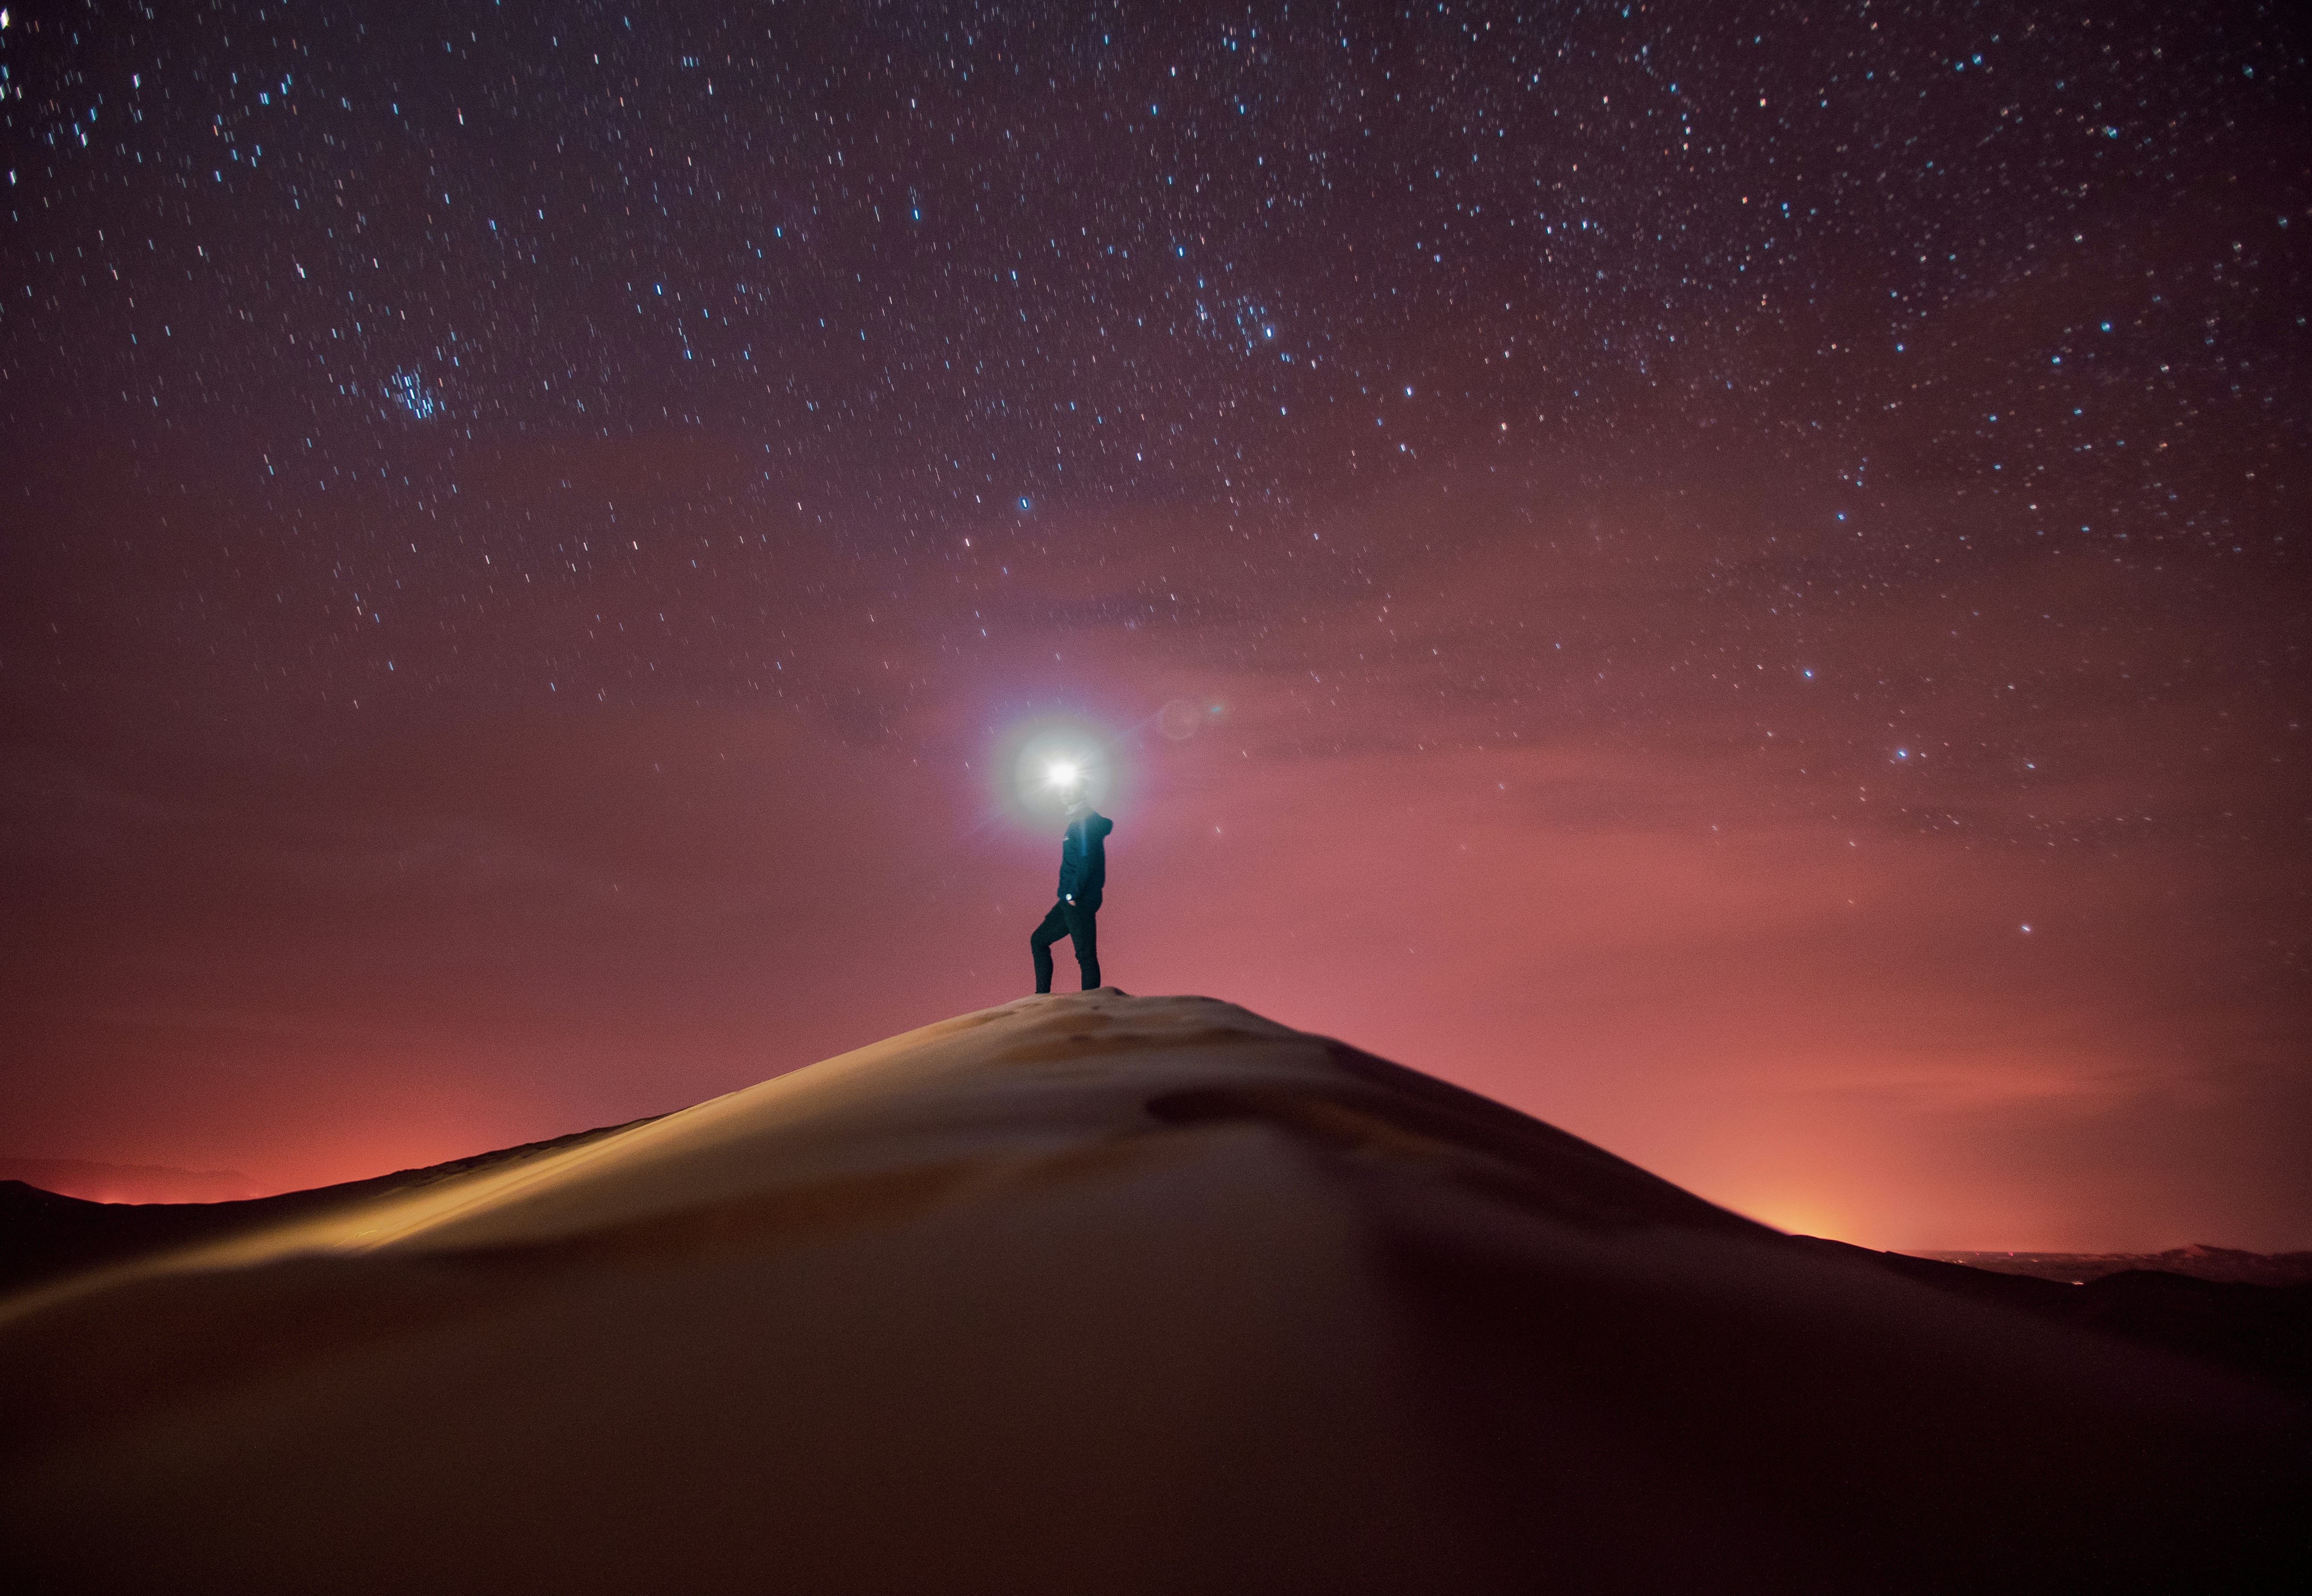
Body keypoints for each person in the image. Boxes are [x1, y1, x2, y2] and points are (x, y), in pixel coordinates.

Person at [1031, 790, 1113, 993]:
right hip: (1070, 898)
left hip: (1079, 898)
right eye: (1063, 791)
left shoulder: (1085, 822)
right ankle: (1040, 998)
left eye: (1071, 791)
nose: (1065, 795)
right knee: (1039, 940)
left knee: (1086, 955)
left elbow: (1087, 860)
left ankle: (1092, 1005)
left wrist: (1073, 894)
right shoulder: (1078, 822)